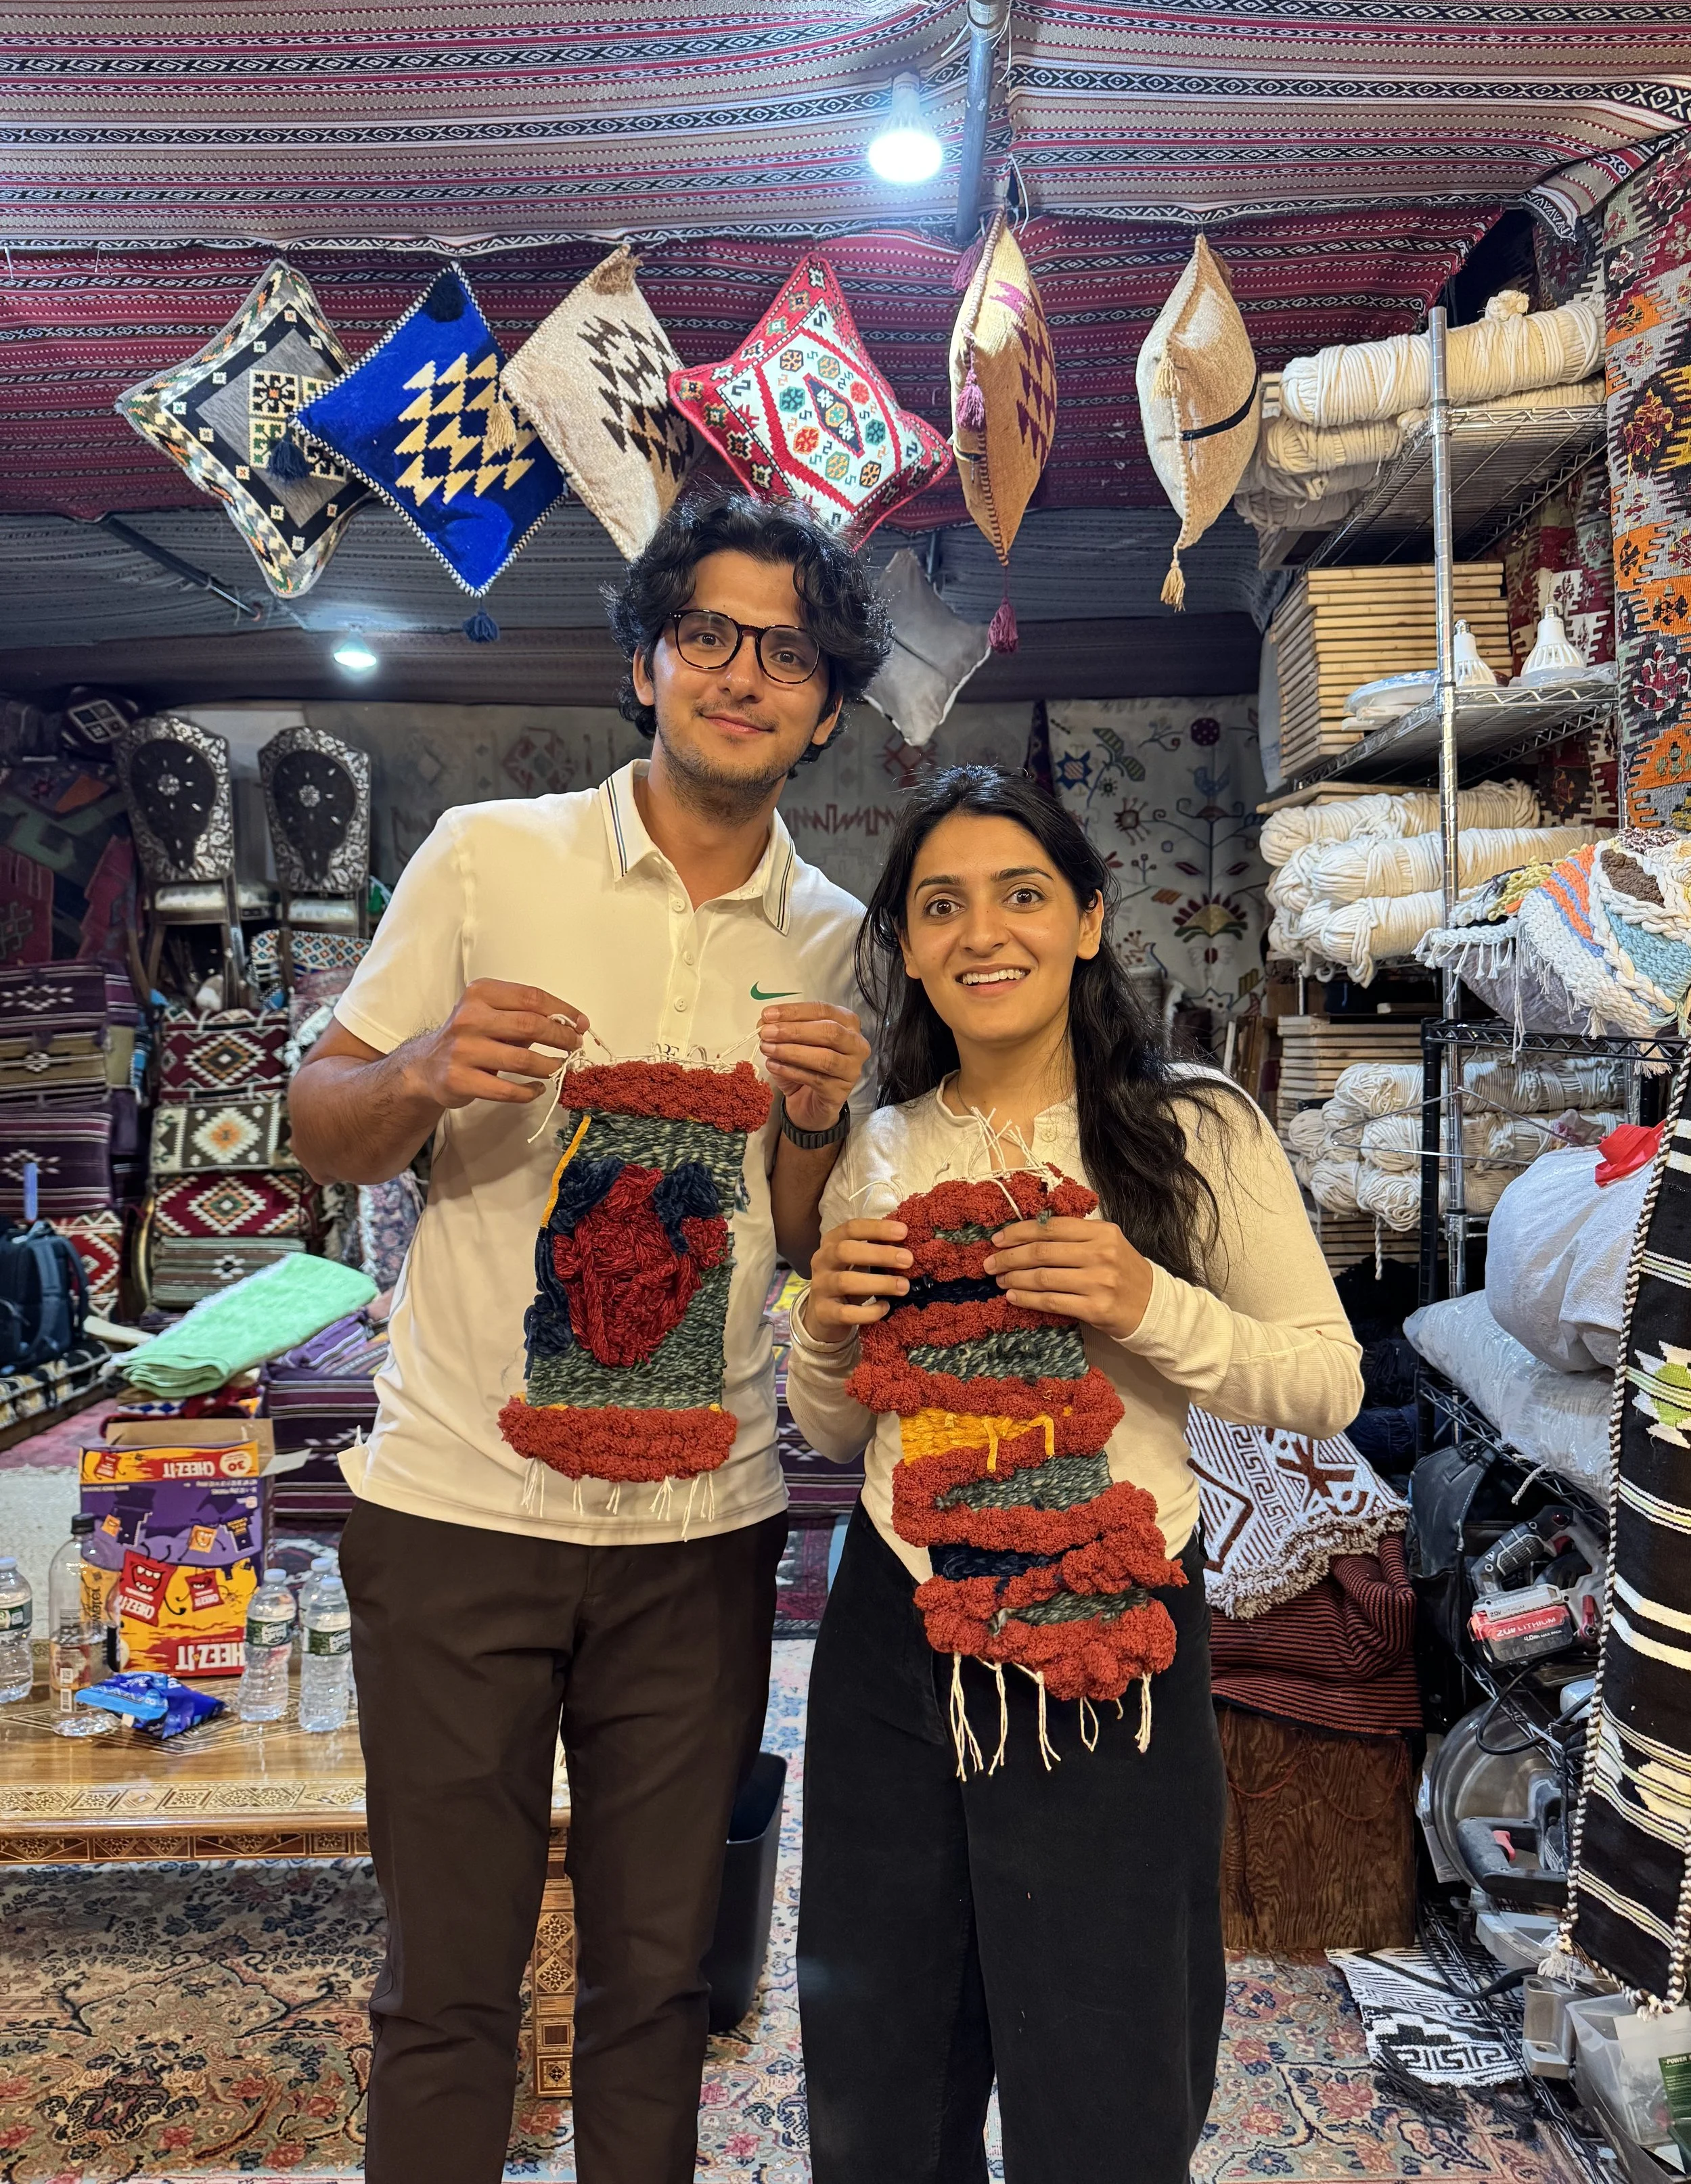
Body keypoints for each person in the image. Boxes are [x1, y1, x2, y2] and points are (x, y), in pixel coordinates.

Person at [289, 491, 889, 2184]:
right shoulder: (489, 859)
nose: (743, 674)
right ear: (645, 661)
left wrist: (815, 1131)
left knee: (657, 1985)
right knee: (448, 1988)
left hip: (695, 1536)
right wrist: (411, 1075)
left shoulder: (839, 939)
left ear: (827, 702)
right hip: (457, 1509)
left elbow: (788, 1243)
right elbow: (317, 1116)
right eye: (708, 633)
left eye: (787, 652)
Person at [784, 765, 1363, 2184]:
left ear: (1089, 919)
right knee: (881, 2059)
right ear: (909, 949)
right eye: (941, 905)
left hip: (1110, 1641)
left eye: (1021, 892)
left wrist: (1139, 1297)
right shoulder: (879, 1150)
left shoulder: (1195, 1128)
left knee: (1106, 2055)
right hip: (892, 1634)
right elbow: (838, 1432)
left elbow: (1324, 1379)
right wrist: (817, 1328)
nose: (985, 932)